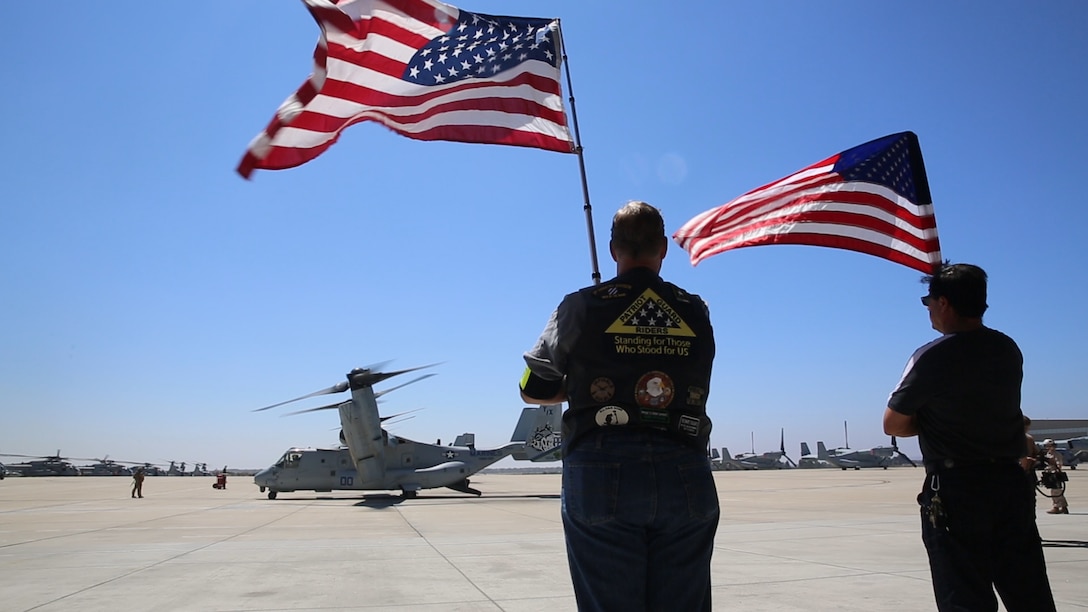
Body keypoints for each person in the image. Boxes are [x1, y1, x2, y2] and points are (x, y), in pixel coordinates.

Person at [519, 201, 718, 612]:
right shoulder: (695, 309)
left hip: (600, 470)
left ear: (613, 250)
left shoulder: (580, 305)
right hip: (686, 467)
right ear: (663, 248)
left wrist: (579, 385)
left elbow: (533, 387)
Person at [883, 263, 1055, 611]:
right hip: (1009, 485)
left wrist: (929, 422)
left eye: (928, 301)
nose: (928, 308)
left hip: (957, 490)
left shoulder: (932, 356)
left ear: (943, 303)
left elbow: (894, 424)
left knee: (963, 596)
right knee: (1028, 592)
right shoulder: (1007, 348)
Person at [1041, 439, 1069, 514]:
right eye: (1047, 446)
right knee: (1058, 492)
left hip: (1055, 474)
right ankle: (1063, 507)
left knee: (1056, 492)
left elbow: (1059, 464)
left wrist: (1056, 468)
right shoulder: (1047, 454)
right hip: (1049, 474)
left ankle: (1056, 507)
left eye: (1051, 446)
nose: (1049, 448)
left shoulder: (1056, 454)